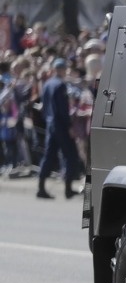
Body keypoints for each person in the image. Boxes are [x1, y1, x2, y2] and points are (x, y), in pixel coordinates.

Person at [36, 58, 81, 199]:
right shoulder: (60, 85)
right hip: (60, 124)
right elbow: (62, 109)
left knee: (49, 155)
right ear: (61, 70)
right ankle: (68, 189)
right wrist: (69, 126)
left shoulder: (47, 84)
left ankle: (41, 187)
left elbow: (44, 107)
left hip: (50, 124)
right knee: (70, 154)